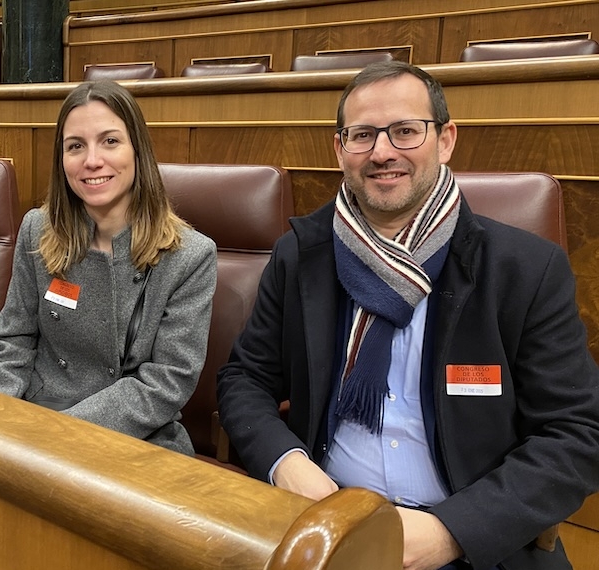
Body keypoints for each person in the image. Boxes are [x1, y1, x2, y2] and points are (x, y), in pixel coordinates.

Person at [217, 61, 599, 570]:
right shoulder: (302, 255)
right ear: (340, 149)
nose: (382, 152)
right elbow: (245, 379)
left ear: (445, 140)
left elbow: (577, 432)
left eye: (404, 131)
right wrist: (287, 464)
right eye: (363, 135)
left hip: (477, 541)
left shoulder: (524, 269)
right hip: (328, 527)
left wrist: (451, 531)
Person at [0, 80, 216, 455]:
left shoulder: (190, 256)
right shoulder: (37, 230)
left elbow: (167, 382)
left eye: (110, 141)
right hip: (35, 420)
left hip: (133, 435)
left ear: (137, 150)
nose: (91, 161)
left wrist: (60, 433)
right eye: (75, 146)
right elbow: (13, 340)